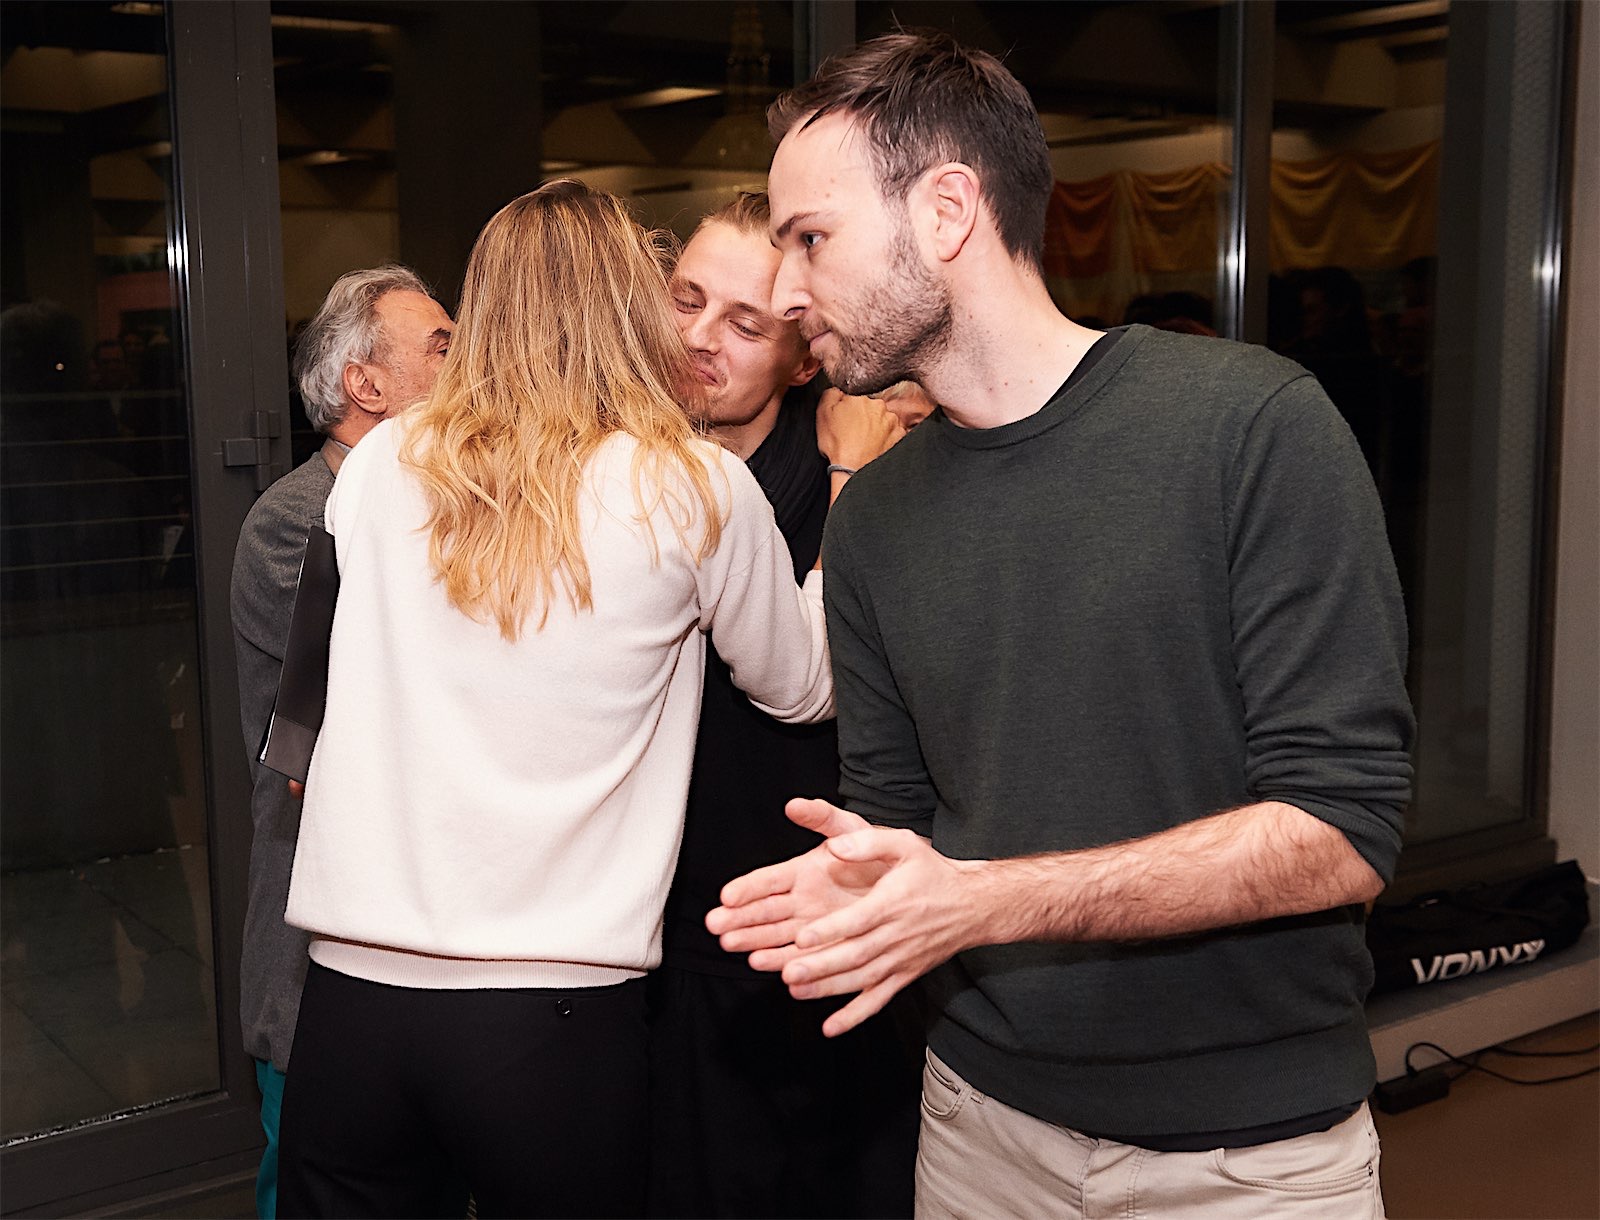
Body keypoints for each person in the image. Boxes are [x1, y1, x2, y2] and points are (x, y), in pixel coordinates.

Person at [709, 31, 1414, 1219]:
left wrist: (984, 898)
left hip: (1248, 1162)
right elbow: (899, 817)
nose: (784, 291)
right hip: (977, 1131)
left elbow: (1342, 827)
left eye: (808, 239)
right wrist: (863, 885)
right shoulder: (871, 517)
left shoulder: (1251, 429)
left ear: (946, 211)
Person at [274, 180, 835, 1220]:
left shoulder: (383, 459)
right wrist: (847, 495)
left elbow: (323, 679)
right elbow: (803, 687)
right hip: (552, 1018)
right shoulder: (691, 485)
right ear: (631, 308)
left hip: (352, 1005)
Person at [648, 191, 918, 1219]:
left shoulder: (854, 478)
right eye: (686, 299)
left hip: (798, 927)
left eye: (745, 323)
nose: (699, 338)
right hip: (643, 936)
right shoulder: (611, 473)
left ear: (803, 360)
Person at [229, 263, 453, 1220]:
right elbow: (391, 709)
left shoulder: (427, 505)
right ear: (366, 384)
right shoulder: (294, 523)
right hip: (320, 950)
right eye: (442, 346)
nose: (470, 363)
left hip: (418, 936)